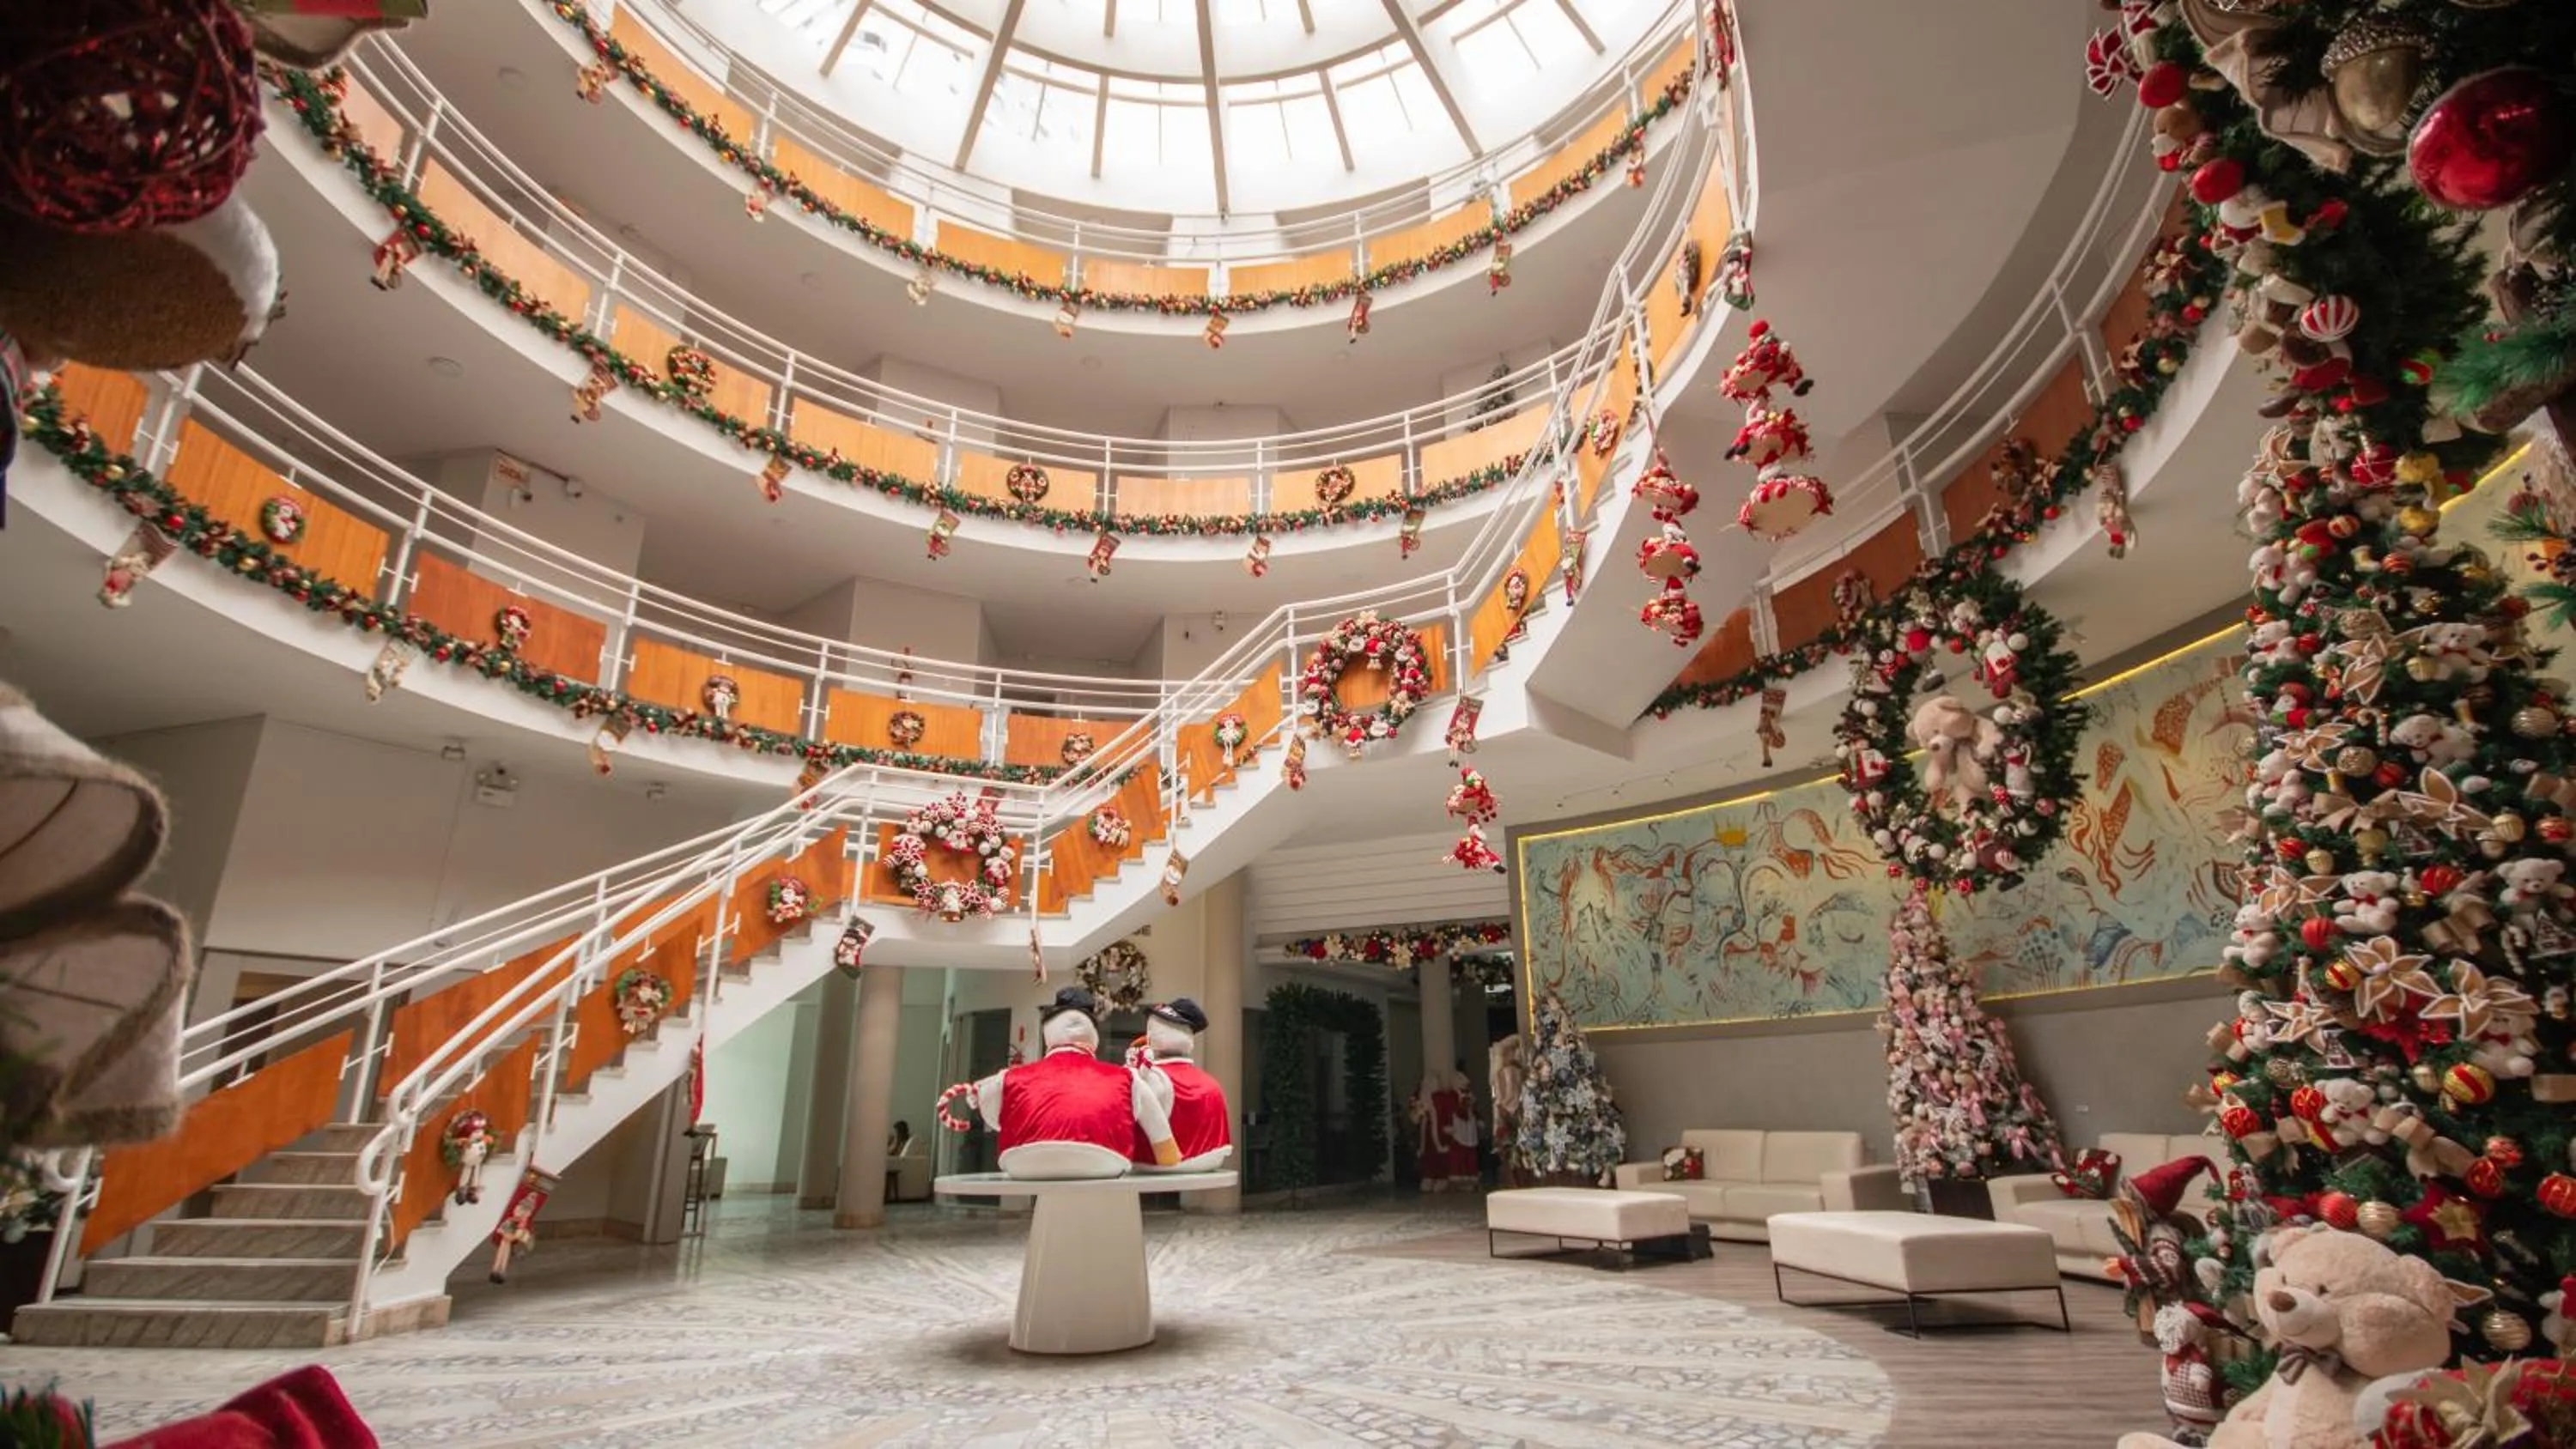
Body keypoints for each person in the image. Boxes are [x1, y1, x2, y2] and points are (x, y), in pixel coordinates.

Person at [1128, 998, 1232, 1173]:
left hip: (1162, 1162)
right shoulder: (1213, 1084)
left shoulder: (1150, 1079)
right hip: (1211, 1159)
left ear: (1151, 1036)